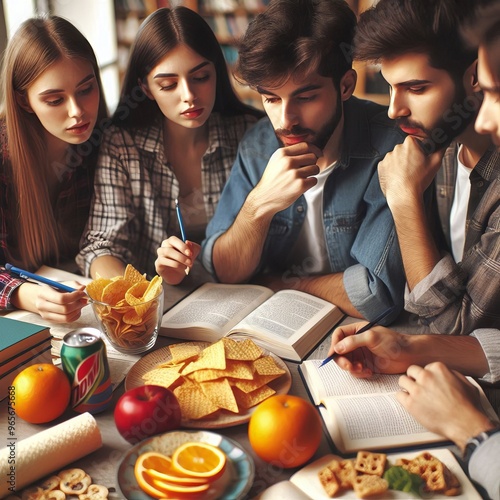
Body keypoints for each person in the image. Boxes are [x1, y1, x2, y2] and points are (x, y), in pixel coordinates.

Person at [200, 0, 407, 321]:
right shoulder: (258, 145)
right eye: (271, 98)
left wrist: (277, 284)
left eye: (306, 97)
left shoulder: (390, 145)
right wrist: (259, 205)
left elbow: (378, 294)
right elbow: (222, 271)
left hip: (358, 334)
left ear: (345, 86)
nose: (285, 120)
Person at [77, 7, 263, 284]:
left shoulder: (251, 134)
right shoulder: (122, 144)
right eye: (167, 85)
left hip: (244, 295)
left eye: (201, 78)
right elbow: (101, 246)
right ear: (146, 88)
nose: (189, 96)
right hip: (162, 307)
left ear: (218, 72)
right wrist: (139, 297)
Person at [353, 0, 500, 334]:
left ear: (475, 76)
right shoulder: (438, 151)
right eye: (390, 87)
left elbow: (453, 329)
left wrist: (404, 200)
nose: (394, 110)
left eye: (416, 88)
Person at [0, 16, 108, 322]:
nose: (77, 112)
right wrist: (26, 295)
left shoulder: (109, 144)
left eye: (86, 90)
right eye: (55, 99)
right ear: (24, 101)